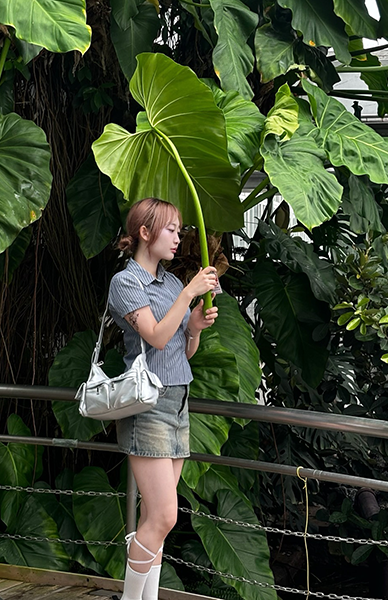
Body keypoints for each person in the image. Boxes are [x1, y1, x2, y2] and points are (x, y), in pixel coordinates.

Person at [108, 198, 219, 600]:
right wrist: (189, 293)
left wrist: (195, 327)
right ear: (145, 233)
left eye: (179, 229)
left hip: (178, 400)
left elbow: (180, 351)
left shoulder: (171, 284)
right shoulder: (126, 282)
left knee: (157, 517)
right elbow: (153, 336)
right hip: (148, 407)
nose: (179, 237)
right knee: (166, 515)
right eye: (171, 229)